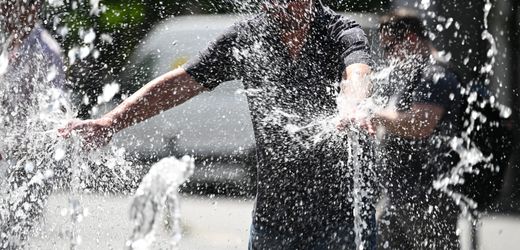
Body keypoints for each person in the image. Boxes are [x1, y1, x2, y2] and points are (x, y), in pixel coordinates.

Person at [60, 0, 376, 249]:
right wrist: (111, 121)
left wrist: (353, 105)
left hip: (340, 218)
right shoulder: (247, 37)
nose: (281, 4)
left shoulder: (340, 30)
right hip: (273, 218)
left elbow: (357, 71)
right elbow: (181, 83)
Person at [364, 9, 462, 249]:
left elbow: (419, 125)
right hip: (399, 198)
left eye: (389, 48)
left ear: (410, 39)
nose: (387, 56)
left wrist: (374, 114)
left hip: (428, 202)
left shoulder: (436, 75)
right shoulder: (415, 74)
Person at [0, 0, 67, 247]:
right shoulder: (5, 43)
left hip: (25, 161)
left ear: (34, 7)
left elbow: (53, 112)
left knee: (11, 235)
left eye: (14, 2)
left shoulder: (46, 51)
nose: (5, 7)